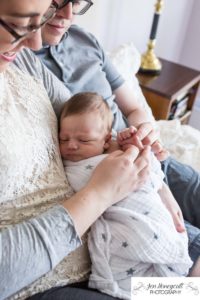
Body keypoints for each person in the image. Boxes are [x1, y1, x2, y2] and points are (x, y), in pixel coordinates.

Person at [0, 1, 151, 300]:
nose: (36, 41)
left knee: (188, 283)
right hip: (51, 283)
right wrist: (101, 193)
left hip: (110, 252)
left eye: (38, 20)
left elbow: (88, 120)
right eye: (20, 26)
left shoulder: (23, 62)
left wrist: (153, 180)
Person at [32, 0, 200, 266]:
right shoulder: (20, 63)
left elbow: (134, 108)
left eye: (75, 4)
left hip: (152, 159)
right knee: (188, 255)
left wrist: (146, 132)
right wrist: (156, 187)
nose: (67, 15)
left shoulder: (85, 40)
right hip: (118, 177)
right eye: (57, 3)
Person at [59, 91, 194, 298]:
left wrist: (131, 144)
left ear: (105, 140)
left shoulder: (115, 148)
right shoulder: (71, 164)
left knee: (177, 275)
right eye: (64, 138)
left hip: (148, 216)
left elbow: (148, 165)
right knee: (148, 286)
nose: (71, 145)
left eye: (84, 140)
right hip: (119, 238)